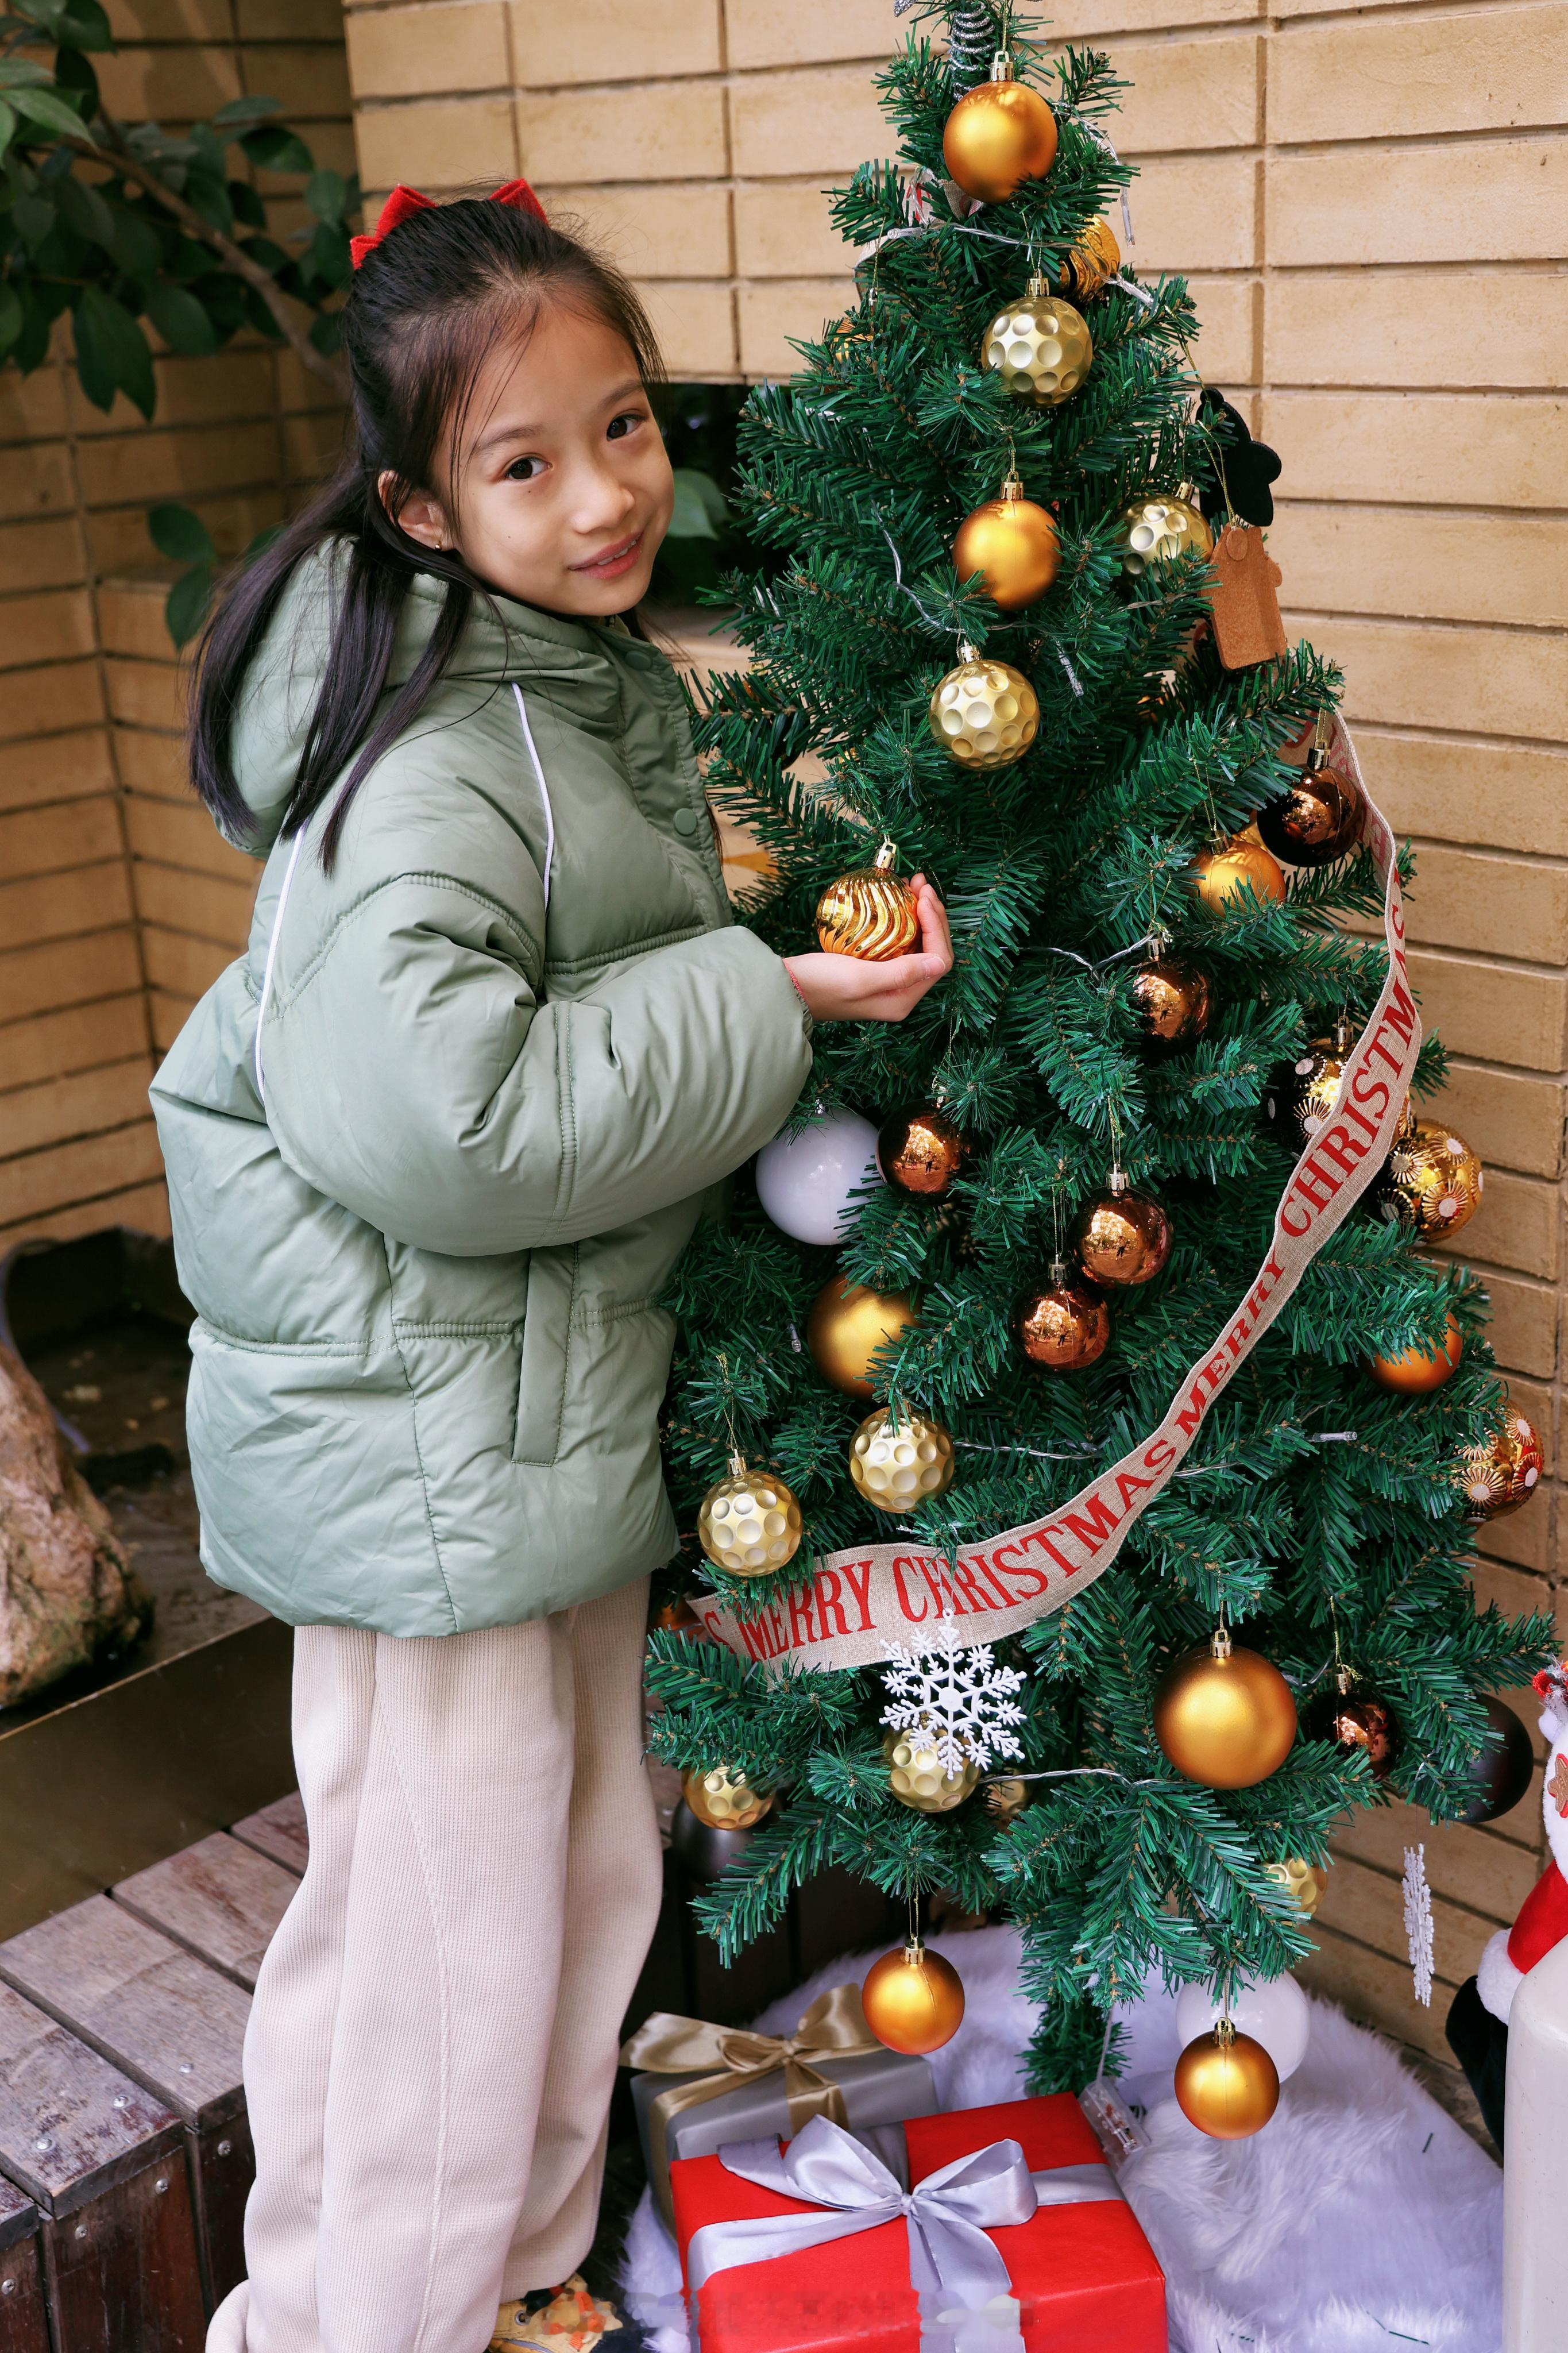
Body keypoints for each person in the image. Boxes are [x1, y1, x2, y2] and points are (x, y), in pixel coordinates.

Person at [150, 178, 952, 2353]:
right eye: (526, 462)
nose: (603, 495)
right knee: (436, 1955)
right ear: (420, 506)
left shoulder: (557, 691)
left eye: (624, 426)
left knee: (571, 1897)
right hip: (434, 1466)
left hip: (527, 1436)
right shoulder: (428, 755)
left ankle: (512, 2296)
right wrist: (767, 998)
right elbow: (453, 1120)